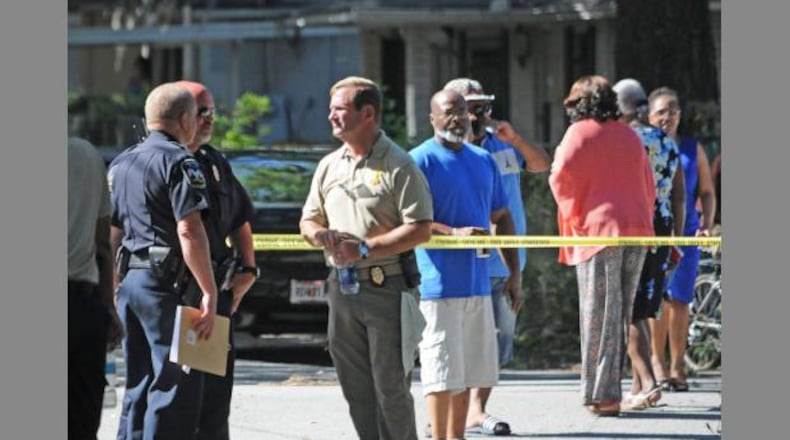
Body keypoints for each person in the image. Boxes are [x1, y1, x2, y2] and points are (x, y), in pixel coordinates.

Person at [299, 76, 434, 440]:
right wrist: (319, 235)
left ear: (368, 113)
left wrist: (364, 248)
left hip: (385, 285)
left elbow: (420, 228)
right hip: (341, 290)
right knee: (355, 388)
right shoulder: (329, 165)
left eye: (340, 110)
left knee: (390, 388)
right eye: (331, 110)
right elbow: (308, 219)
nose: (331, 117)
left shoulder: (399, 164)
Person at [109, 83, 219, 439]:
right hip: (166, 287)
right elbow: (190, 231)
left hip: (131, 282)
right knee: (174, 384)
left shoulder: (121, 162)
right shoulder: (180, 161)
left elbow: (113, 235)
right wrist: (209, 291)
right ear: (185, 119)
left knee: (138, 383)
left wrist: (113, 286)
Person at [442, 78, 550, 435]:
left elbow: (541, 165)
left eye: (482, 106)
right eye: (469, 107)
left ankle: (477, 409)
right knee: (457, 342)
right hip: (461, 264)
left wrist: (515, 139)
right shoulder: (444, 153)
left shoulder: (502, 147)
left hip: (505, 262)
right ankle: (458, 413)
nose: (477, 115)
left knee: (497, 341)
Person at [410, 89, 520, 439]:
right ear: (432, 119)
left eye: (461, 110)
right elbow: (409, 223)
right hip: (437, 287)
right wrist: (453, 232)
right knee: (441, 376)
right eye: (448, 111)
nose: (457, 117)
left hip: (478, 284)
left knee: (467, 376)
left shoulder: (482, 160)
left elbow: (501, 216)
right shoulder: (419, 160)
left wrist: (514, 273)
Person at [549, 75, 656, 417]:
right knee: (620, 314)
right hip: (637, 229)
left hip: (599, 232)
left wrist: (576, 218)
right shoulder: (629, 134)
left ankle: (602, 396)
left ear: (579, 105)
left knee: (598, 316)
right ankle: (611, 391)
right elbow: (647, 184)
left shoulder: (578, 133)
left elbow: (559, 177)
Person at [174, 80, 258, 440]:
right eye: (200, 111)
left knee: (212, 397)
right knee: (178, 397)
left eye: (212, 111)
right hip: (178, 292)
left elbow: (239, 217)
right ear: (180, 116)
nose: (208, 119)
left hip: (215, 294)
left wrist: (249, 267)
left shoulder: (214, 163)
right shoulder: (165, 161)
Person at [613, 78, 685, 410]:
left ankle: (649, 381)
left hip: (633, 225)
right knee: (643, 307)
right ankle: (640, 383)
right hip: (664, 225)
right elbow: (679, 195)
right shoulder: (668, 142)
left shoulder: (625, 139)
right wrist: (676, 240)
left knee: (626, 308)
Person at [648, 86, 717, 392]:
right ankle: (656, 362)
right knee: (657, 299)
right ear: (650, 116)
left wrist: (707, 222)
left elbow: (706, 190)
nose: (668, 116)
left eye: (673, 110)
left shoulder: (692, 147)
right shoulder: (644, 145)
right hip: (653, 231)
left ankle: (678, 365)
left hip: (687, 233)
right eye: (661, 111)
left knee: (681, 300)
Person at [68, 136, 124, 440]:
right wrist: (110, 309)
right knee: (81, 415)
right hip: (82, 305)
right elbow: (103, 244)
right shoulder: (87, 155)